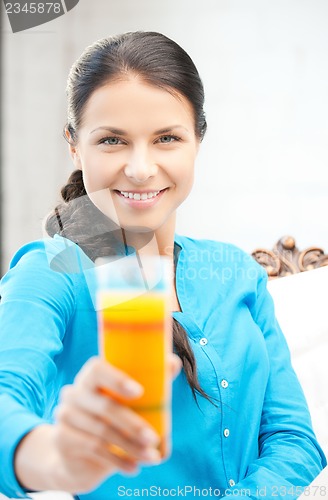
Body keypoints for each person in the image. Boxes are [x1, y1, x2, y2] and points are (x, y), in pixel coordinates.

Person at [0, 31, 325, 500]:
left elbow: (294, 440)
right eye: (112, 140)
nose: (140, 168)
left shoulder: (234, 272)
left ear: (198, 140)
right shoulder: (52, 272)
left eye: (167, 138)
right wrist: (51, 458)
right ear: (74, 145)